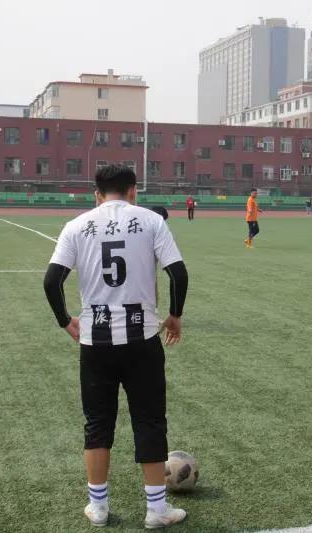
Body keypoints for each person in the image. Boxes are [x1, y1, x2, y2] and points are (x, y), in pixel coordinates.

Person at [43, 165, 189, 529]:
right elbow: (178, 273)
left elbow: (51, 281)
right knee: (150, 420)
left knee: (97, 423)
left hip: (96, 341)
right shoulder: (152, 221)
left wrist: (65, 320)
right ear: (133, 190)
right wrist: (174, 315)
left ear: (97, 194)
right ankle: (156, 510)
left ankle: (99, 507)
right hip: (142, 339)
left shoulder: (77, 225)